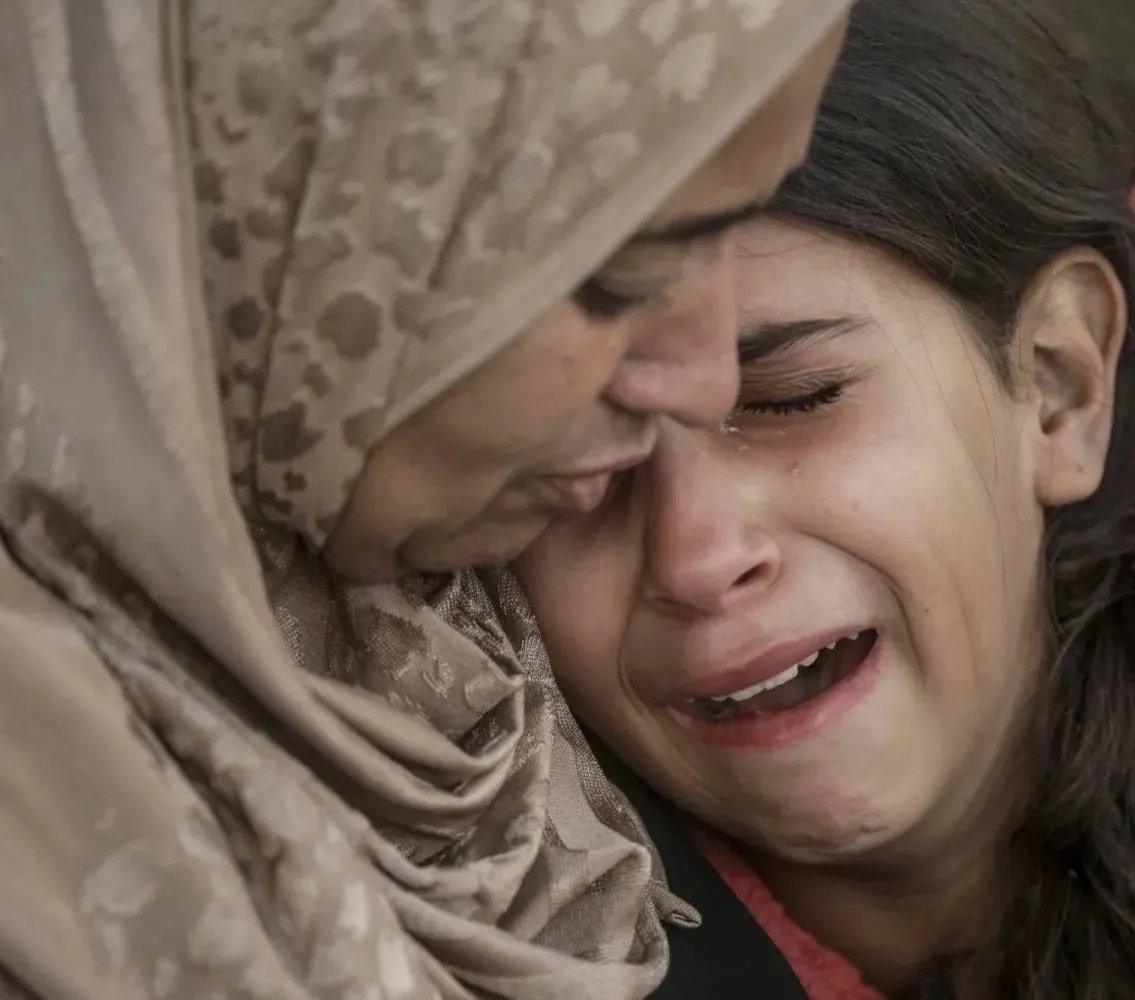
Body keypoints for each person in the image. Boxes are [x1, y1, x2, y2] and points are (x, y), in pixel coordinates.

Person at [515, 0, 1135, 997]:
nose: (695, 553)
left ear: (1059, 383)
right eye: (578, 469)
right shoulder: (456, 893)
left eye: (792, 398)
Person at [0, 1, 850, 998]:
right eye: (625, 273)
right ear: (271, 214)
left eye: (740, 224)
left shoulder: (469, 629)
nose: (705, 381)